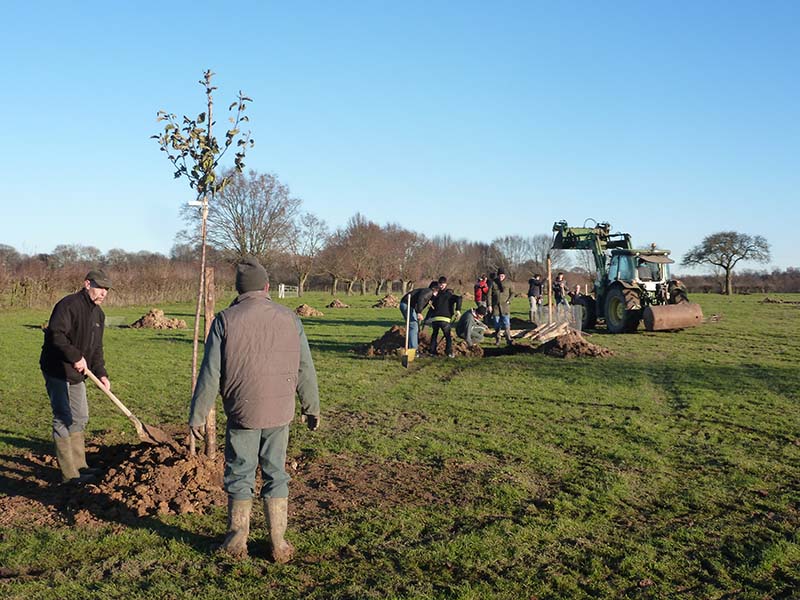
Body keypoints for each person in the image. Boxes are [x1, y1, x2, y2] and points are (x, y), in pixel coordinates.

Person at [188, 257, 320, 563]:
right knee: (276, 472)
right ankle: (279, 544)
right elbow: (305, 368)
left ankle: (236, 544)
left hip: (242, 410)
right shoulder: (291, 318)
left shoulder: (224, 319)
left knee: (240, 473)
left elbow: (210, 372)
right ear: (267, 286)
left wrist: (198, 414)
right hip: (280, 411)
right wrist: (311, 406)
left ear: (238, 289)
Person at [40, 270, 113, 483]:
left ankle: (80, 466)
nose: (103, 293)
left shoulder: (99, 314)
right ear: (87, 284)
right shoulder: (68, 305)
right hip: (57, 368)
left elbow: (96, 348)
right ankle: (69, 474)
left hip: (77, 373)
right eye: (100, 288)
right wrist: (75, 356)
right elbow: (56, 334)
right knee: (63, 417)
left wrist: (101, 373)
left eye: (107, 290)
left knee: (80, 417)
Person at [399, 281, 439, 350]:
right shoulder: (428, 291)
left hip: (408, 305)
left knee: (414, 326)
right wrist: (419, 312)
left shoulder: (426, 292)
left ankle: (411, 344)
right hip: (407, 305)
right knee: (413, 326)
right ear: (435, 289)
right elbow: (421, 299)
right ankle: (413, 349)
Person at [428, 276, 462, 357]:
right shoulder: (449, 295)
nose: (441, 285)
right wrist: (458, 310)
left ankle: (432, 351)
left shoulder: (435, 295)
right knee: (447, 336)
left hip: (435, 319)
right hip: (445, 319)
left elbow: (431, 304)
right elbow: (459, 298)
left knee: (434, 334)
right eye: (441, 284)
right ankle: (449, 352)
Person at [488, 269, 514, 345]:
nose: (501, 277)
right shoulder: (493, 283)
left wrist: (509, 300)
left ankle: (508, 338)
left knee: (506, 323)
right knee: (496, 323)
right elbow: (489, 295)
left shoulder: (509, 283)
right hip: (496, 307)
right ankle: (498, 339)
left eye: (502, 276)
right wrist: (489, 305)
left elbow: (512, 293)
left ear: (504, 276)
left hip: (505, 306)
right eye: (499, 275)